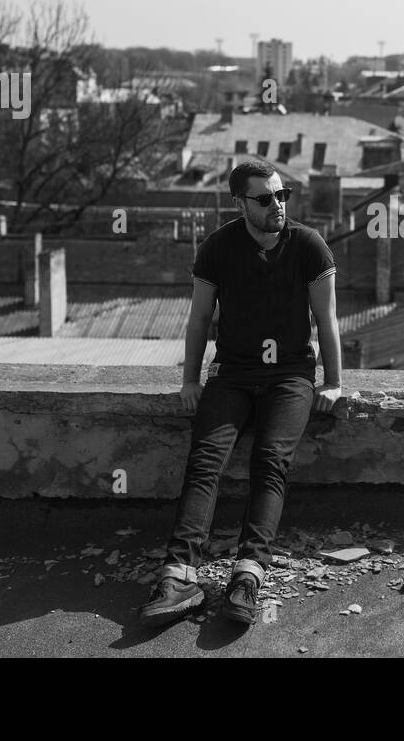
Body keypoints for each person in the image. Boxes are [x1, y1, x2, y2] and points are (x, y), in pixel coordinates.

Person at [138, 159, 342, 629]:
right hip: (232, 373)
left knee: (270, 460)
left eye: (282, 195)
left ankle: (246, 576)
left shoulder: (309, 246)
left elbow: (327, 321)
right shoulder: (218, 248)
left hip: (290, 375)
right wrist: (190, 380)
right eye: (265, 199)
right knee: (205, 459)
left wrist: (332, 381)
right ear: (239, 203)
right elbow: (198, 321)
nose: (278, 206)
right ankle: (179, 574)